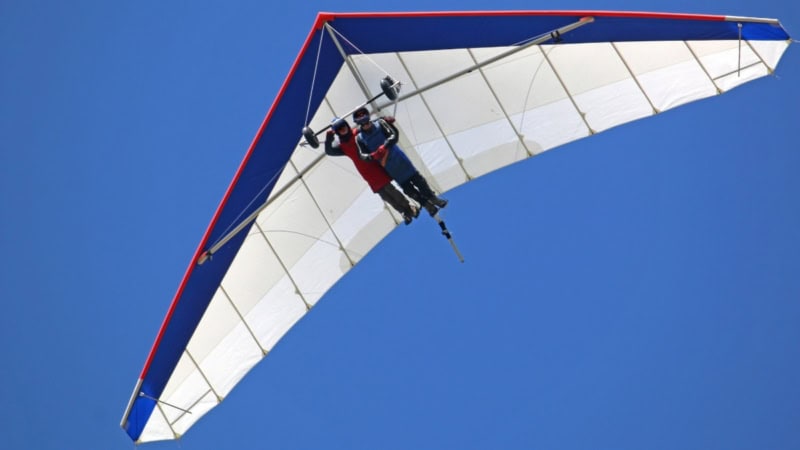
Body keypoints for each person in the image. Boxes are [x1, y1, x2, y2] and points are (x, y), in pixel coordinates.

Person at [352, 107, 448, 216]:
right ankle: (427, 205)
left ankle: (433, 198)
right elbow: (362, 155)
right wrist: (373, 155)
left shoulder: (380, 123)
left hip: (400, 159)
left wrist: (385, 146)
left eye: (363, 114)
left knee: (419, 181)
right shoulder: (360, 138)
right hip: (389, 166)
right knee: (409, 189)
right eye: (358, 116)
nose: (362, 118)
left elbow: (394, 135)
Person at [324, 117, 419, 225]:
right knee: (384, 195)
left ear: (347, 125)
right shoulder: (343, 146)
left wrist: (385, 120)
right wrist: (329, 138)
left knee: (390, 189)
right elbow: (330, 151)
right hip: (366, 174)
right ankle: (403, 212)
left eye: (343, 126)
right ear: (337, 132)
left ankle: (409, 207)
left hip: (374, 166)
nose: (343, 129)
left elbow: (370, 124)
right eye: (340, 129)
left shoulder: (358, 133)